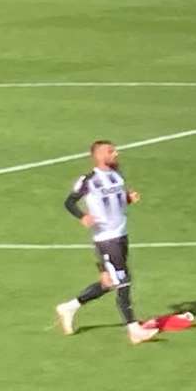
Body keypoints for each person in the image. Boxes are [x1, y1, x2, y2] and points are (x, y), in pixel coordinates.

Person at [54, 140, 158, 344]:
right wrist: (82, 216)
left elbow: (117, 201)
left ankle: (69, 307)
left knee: (108, 282)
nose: (116, 153)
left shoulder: (117, 175)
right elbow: (69, 202)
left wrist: (128, 198)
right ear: (99, 155)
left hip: (121, 234)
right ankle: (133, 330)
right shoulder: (89, 180)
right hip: (106, 239)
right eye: (111, 151)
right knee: (123, 281)